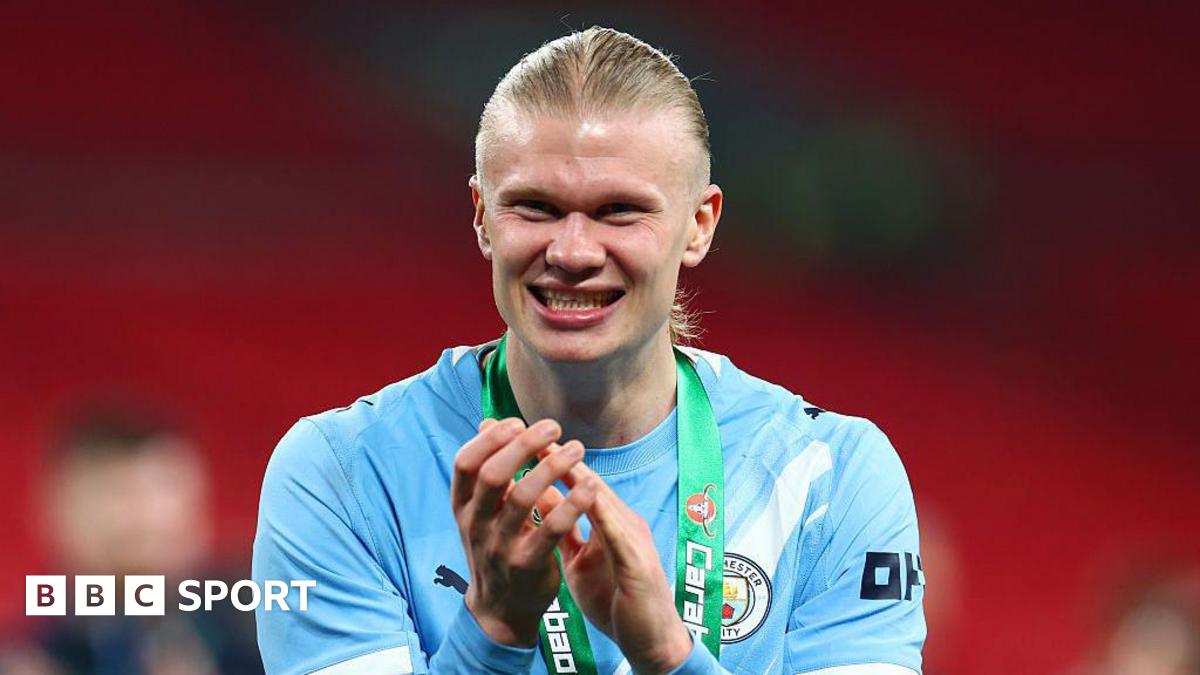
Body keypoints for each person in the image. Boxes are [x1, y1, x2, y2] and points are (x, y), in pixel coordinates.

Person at [253, 26, 925, 674]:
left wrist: (671, 654)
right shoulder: (343, 474)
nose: (572, 252)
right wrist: (494, 628)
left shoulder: (829, 477)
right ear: (482, 217)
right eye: (536, 207)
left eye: (618, 211)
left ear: (699, 225)